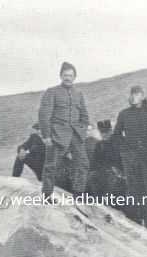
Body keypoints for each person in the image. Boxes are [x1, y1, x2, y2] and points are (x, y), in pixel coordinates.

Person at [114, 85, 147, 230]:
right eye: (132, 94)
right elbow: (116, 135)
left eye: (137, 94)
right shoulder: (124, 114)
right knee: (134, 190)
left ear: (143, 95)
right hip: (131, 160)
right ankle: (134, 223)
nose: (133, 97)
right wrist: (126, 150)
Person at [38, 61, 90, 200]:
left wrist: (83, 130)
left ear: (75, 77)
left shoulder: (78, 93)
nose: (68, 78)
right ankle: (46, 195)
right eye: (65, 75)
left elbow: (84, 115)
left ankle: (78, 194)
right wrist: (46, 136)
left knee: (83, 164)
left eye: (71, 75)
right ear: (61, 76)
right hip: (57, 134)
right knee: (51, 166)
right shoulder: (52, 92)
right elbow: (44, 115)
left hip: (75, 135)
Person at [87, 120, 125, 206]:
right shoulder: (100, 145)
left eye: (106, 132)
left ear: (111, 131)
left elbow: (124, 158)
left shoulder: (119, 141)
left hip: (120, 172)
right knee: (93, 178)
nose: (104, 134)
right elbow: (95, 161)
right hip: (104, 171)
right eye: (102, 132)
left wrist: (119, 170)